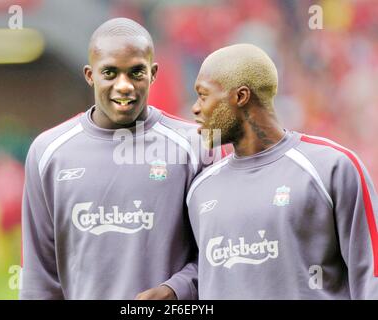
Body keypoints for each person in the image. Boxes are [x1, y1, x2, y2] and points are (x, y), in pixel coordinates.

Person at [20, 18, 217, 300]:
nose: (123, 86)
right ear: (90, 75)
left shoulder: (194, 146)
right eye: (110, 73)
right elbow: (39, 275)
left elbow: (218, 252)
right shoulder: (49, 151)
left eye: (136, 72)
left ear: (153, 73)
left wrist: (176, 290)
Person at [187, 43, 378, 299]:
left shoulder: (330, 167)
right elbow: (199, 274)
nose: (195, 108)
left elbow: (370, 272)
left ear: (240, 97)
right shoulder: (200, 189)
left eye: (203, 95)